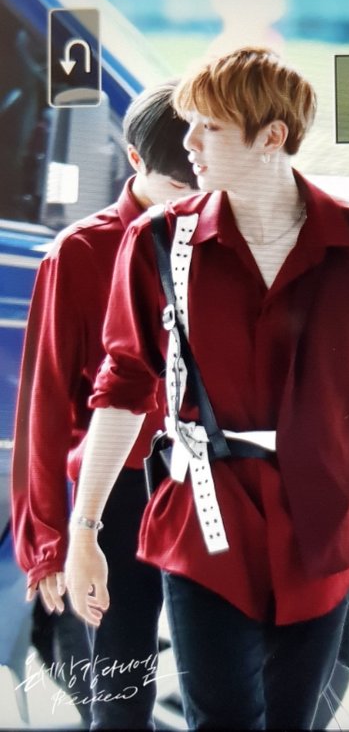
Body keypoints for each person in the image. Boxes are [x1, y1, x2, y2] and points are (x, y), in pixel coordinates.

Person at [64, 47, 349, 730]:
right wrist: (84, 530)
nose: (188, 143)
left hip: (325, 525)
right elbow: (123, 387)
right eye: (188, 124)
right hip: (205, 520)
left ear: (271, 135)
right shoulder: (158, 242)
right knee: (222, 719)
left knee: (294, 720)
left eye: (208, 127)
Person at [11, 79, 197, 730]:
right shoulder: (81, 253)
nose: (193, 199)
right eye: (178, 186)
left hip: (210, 485)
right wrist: (46, 541)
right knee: (117, 703)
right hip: (116, 491)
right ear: (136, 161)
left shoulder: (225, 236)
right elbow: (43, 405)